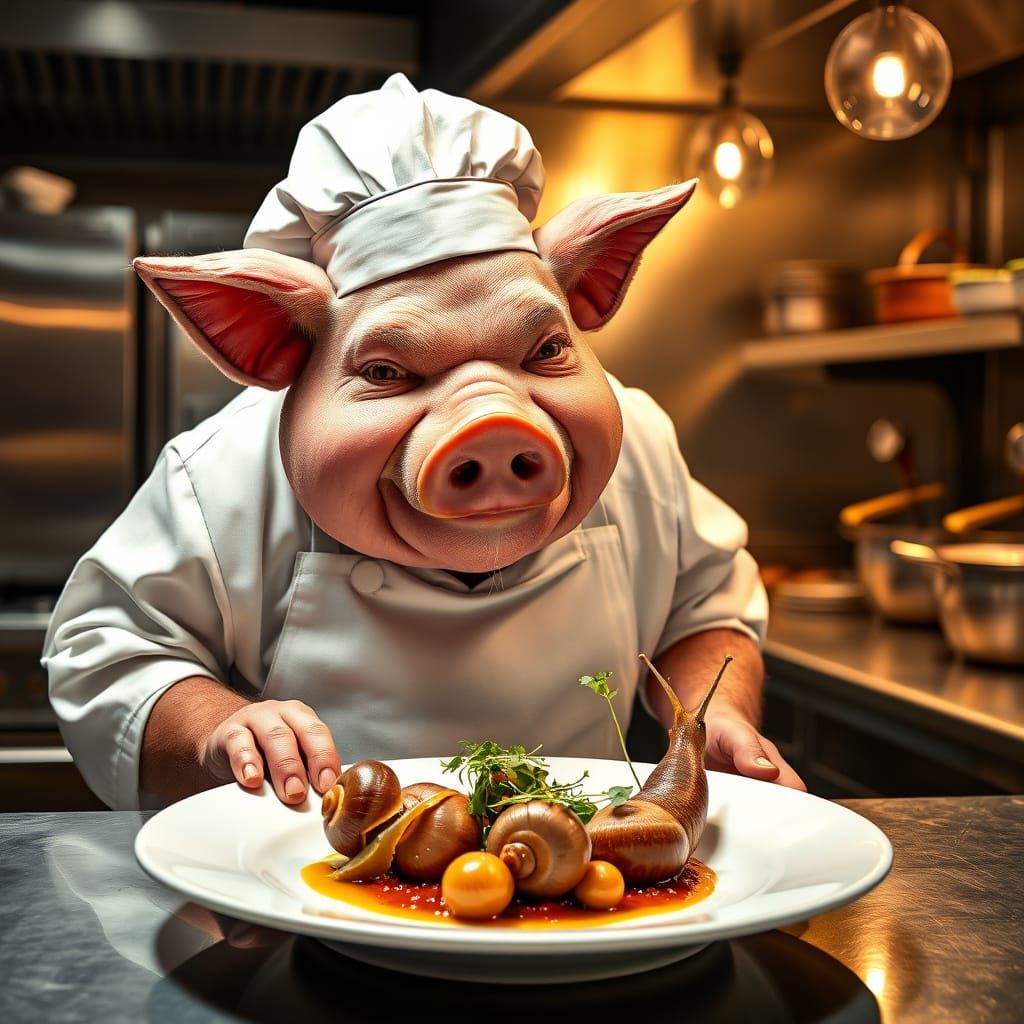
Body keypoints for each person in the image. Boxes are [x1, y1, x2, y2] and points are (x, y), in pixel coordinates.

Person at [42, 74, 804, 811]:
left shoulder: (635, 441)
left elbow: (705, 605)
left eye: (542, 352)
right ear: (269, 341)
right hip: (314, 889)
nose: (490, 430)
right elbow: (108, 652)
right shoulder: (223, 475)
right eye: (387, 370)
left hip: (580, 889)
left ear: (588, 292)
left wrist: (713, 719)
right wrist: (217, 728)